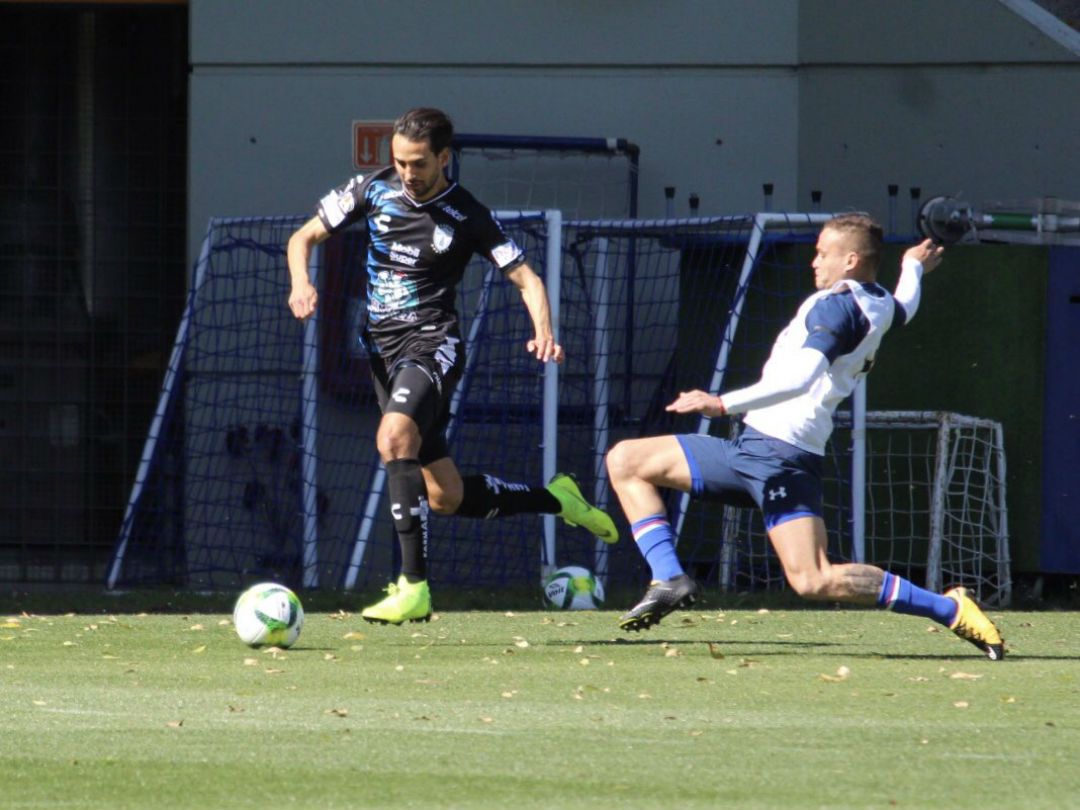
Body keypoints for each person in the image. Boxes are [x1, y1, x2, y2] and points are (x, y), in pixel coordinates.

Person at [605, 214, 1005, 660]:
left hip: (780, 455)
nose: (815, 262)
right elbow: (905, 304)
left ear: (850, 260)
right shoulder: (878, 303)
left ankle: (949, 608)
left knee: (814, 580)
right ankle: (669, 578)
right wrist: (912, 265)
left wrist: (720, 403)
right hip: (751, 448)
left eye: (822, 253)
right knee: (626, 461)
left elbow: (801, 378)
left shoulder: (836, 306)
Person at [286, 108, 617, 625]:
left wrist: (544, 332)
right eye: (399, 162)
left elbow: (526, 278)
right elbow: (301, 238)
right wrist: (301, 283)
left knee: (394, 439)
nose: (408, 173)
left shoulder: (467, 213)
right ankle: (559, 499)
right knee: (445, 497)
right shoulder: (371, 189)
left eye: (418, 163)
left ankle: (413, 587)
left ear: (444, 157)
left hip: (431, 345)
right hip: (381, 354)